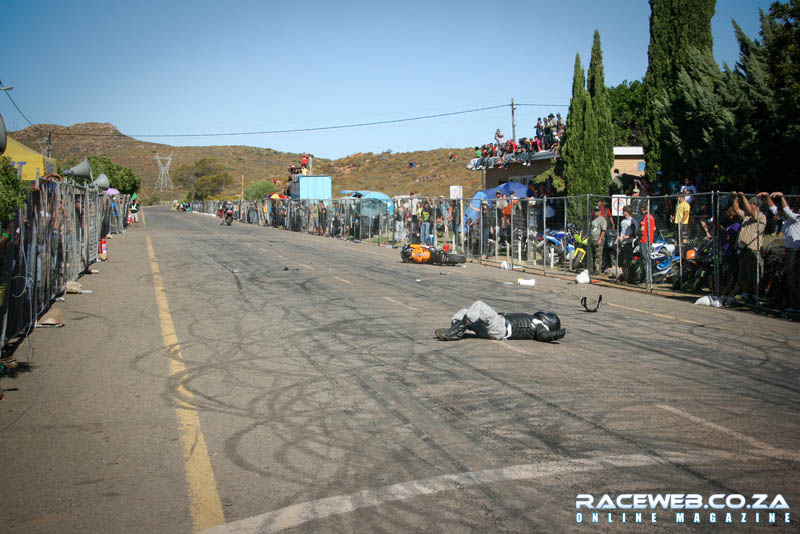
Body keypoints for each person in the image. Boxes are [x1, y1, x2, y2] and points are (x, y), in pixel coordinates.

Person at [434, 300, 565, 342]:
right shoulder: (535, 320)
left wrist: (555, 335)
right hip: (493, 328)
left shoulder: (541, 325)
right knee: (464, 312)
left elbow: (543, 335)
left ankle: (455, 333)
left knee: (479, 305)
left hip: (501, 328)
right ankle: (455, 330)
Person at [763, 192, 800, 312]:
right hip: (788, 251)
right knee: (788, 279)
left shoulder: (797, 218)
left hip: (795, 252)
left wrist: (782, 196)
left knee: (793, 279)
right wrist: (767, 196)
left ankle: (796, 305)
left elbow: (786, 210)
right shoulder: (787, 220)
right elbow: (774, 209)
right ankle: (791, 304)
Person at [732, 192, 766, 304]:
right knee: (743, 275)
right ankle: (745, 295)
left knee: (754, 275)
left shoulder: (761, 216)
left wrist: (743, 196)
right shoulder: (746, 217)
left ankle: (755, 296)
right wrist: (735, 197)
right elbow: (737, 209)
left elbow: (751, 211)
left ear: (755, 205)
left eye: (750, 204)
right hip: (743, 250)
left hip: (753, 249)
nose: (748, 206)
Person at [590, 206, 607, 274]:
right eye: (595, 210)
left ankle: (597, 270)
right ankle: (591, 269)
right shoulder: (593, 219)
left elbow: (603, 230)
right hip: (592, 239)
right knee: (592, 255)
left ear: (600, 211)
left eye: (597, 211)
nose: (596, 212)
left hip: (598, 239)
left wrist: (600, 239)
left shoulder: (602, 220)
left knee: (598, 256)